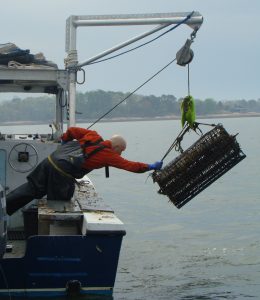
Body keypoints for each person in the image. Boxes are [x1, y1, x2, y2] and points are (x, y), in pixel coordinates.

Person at [6, 127, 163, 215]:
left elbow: (72, 130)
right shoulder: (108, 154)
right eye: (121, 151)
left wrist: (65, 141)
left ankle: (4, 207)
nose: (121, 154)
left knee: (31, 190)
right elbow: (130, 166)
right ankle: (58, 240)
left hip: (50, 161)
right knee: (60, 206)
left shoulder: (93, 135)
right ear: (115, 147)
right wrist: (150, 166)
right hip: (62, 173)